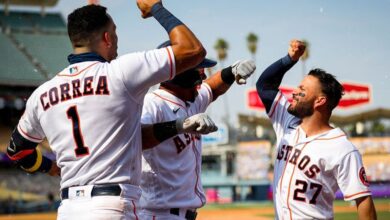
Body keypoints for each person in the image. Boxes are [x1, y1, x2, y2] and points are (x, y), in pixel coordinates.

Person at [6, 1, 218, 219]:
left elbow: (17, 151)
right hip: (111, 205)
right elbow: (192, 50)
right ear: (107, 37)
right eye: (115, 32)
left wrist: (50, 168)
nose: (117, 39)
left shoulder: (42, 94)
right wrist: (157, 9)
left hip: (68, 209)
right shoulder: (121, 73)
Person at [256, 39, 377, 219]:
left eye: (302, 89)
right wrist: (289, 59)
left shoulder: (342, 148)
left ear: (320, 101)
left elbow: (363, 201)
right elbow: (264, 85)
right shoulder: (286, 119)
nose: (294, 92)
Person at [139, 40, 256, 220]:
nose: (203, 74)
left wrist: (232, 71)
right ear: (178, 71)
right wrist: (179, 125)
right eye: (198, 67)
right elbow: (139, 138)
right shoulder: (152, 103)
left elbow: (213, 87)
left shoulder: (191, 100)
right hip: (159, 213)